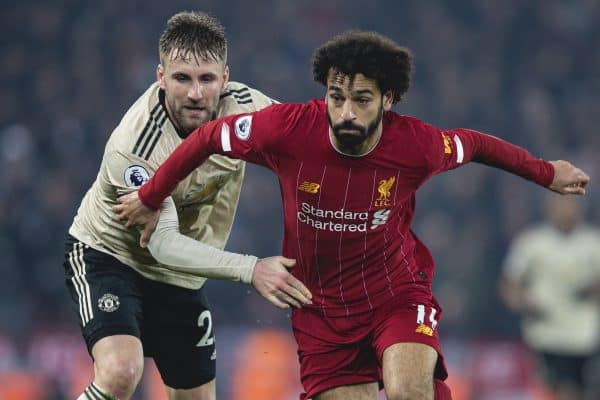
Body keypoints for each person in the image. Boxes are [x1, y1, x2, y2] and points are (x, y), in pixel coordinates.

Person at [114, 31, 590, 400]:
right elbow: (207, 138)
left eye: (361, 99)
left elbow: (479, 145)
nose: (344, 111)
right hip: (319, 308)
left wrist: (546, 173)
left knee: (407, 390)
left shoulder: (417, 145)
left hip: (394, 292)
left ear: (388, 100)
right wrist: (152, 196)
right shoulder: (287, 129)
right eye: (336, 95)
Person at [63, 11, 311, 400]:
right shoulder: (135, 148)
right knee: (120, 373)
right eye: (182, 78)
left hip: (180, 276)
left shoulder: (247, 109)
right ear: (161, 77)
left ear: (225, 79)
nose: (196, 93)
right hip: (110, 257)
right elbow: (163, 243)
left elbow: (310, 139)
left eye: (207, 79)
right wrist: (252, 269)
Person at [500, 194, 600, 400]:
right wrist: (524, 302)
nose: (565, 210)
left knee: (582, 391)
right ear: (549, 208)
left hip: (585, 335)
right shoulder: (532, 242)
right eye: (560, 205)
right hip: (546, 334)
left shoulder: (593, 242)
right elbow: (510, 283)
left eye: (570, 205)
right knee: (560, 390)